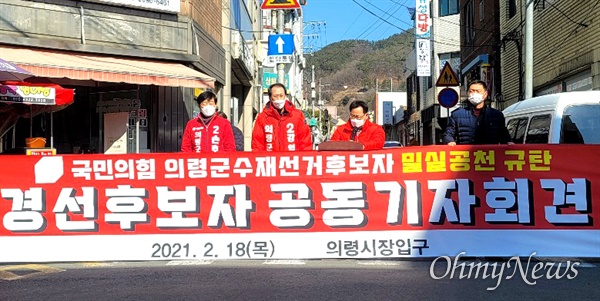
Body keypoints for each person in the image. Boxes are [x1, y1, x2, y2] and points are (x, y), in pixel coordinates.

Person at [443, 80, 514, 146]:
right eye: (471, 91)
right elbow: (448, 133)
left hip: (490, 156)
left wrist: (509, 142)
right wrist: (450, 141)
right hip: (466, 157)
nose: (474, 94)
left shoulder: (496, 115)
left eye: (478, 91)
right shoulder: (457, 115)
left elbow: (504, 135)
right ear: (468, 93)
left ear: (485, 94)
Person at [251, 83, 312, 151]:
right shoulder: (262, 117)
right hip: (270, 160)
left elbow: (305, 141)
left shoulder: (297, 115)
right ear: (270, 97)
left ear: (285, 96)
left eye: (281, 96)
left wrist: (304, 158)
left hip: (292, 159)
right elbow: (257, 144)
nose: (279, 99)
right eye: (275, 96)